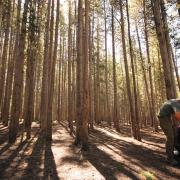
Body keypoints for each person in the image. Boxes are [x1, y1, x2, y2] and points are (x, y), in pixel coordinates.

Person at [157, 99, 180, 166]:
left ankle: (173, 154)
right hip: (164, 119)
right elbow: (178, 117)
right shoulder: (176, 104)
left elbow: (175, 116)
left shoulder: (173, 101)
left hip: (167, 119)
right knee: (170, 138)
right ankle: (169, 159)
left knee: (174, 136)